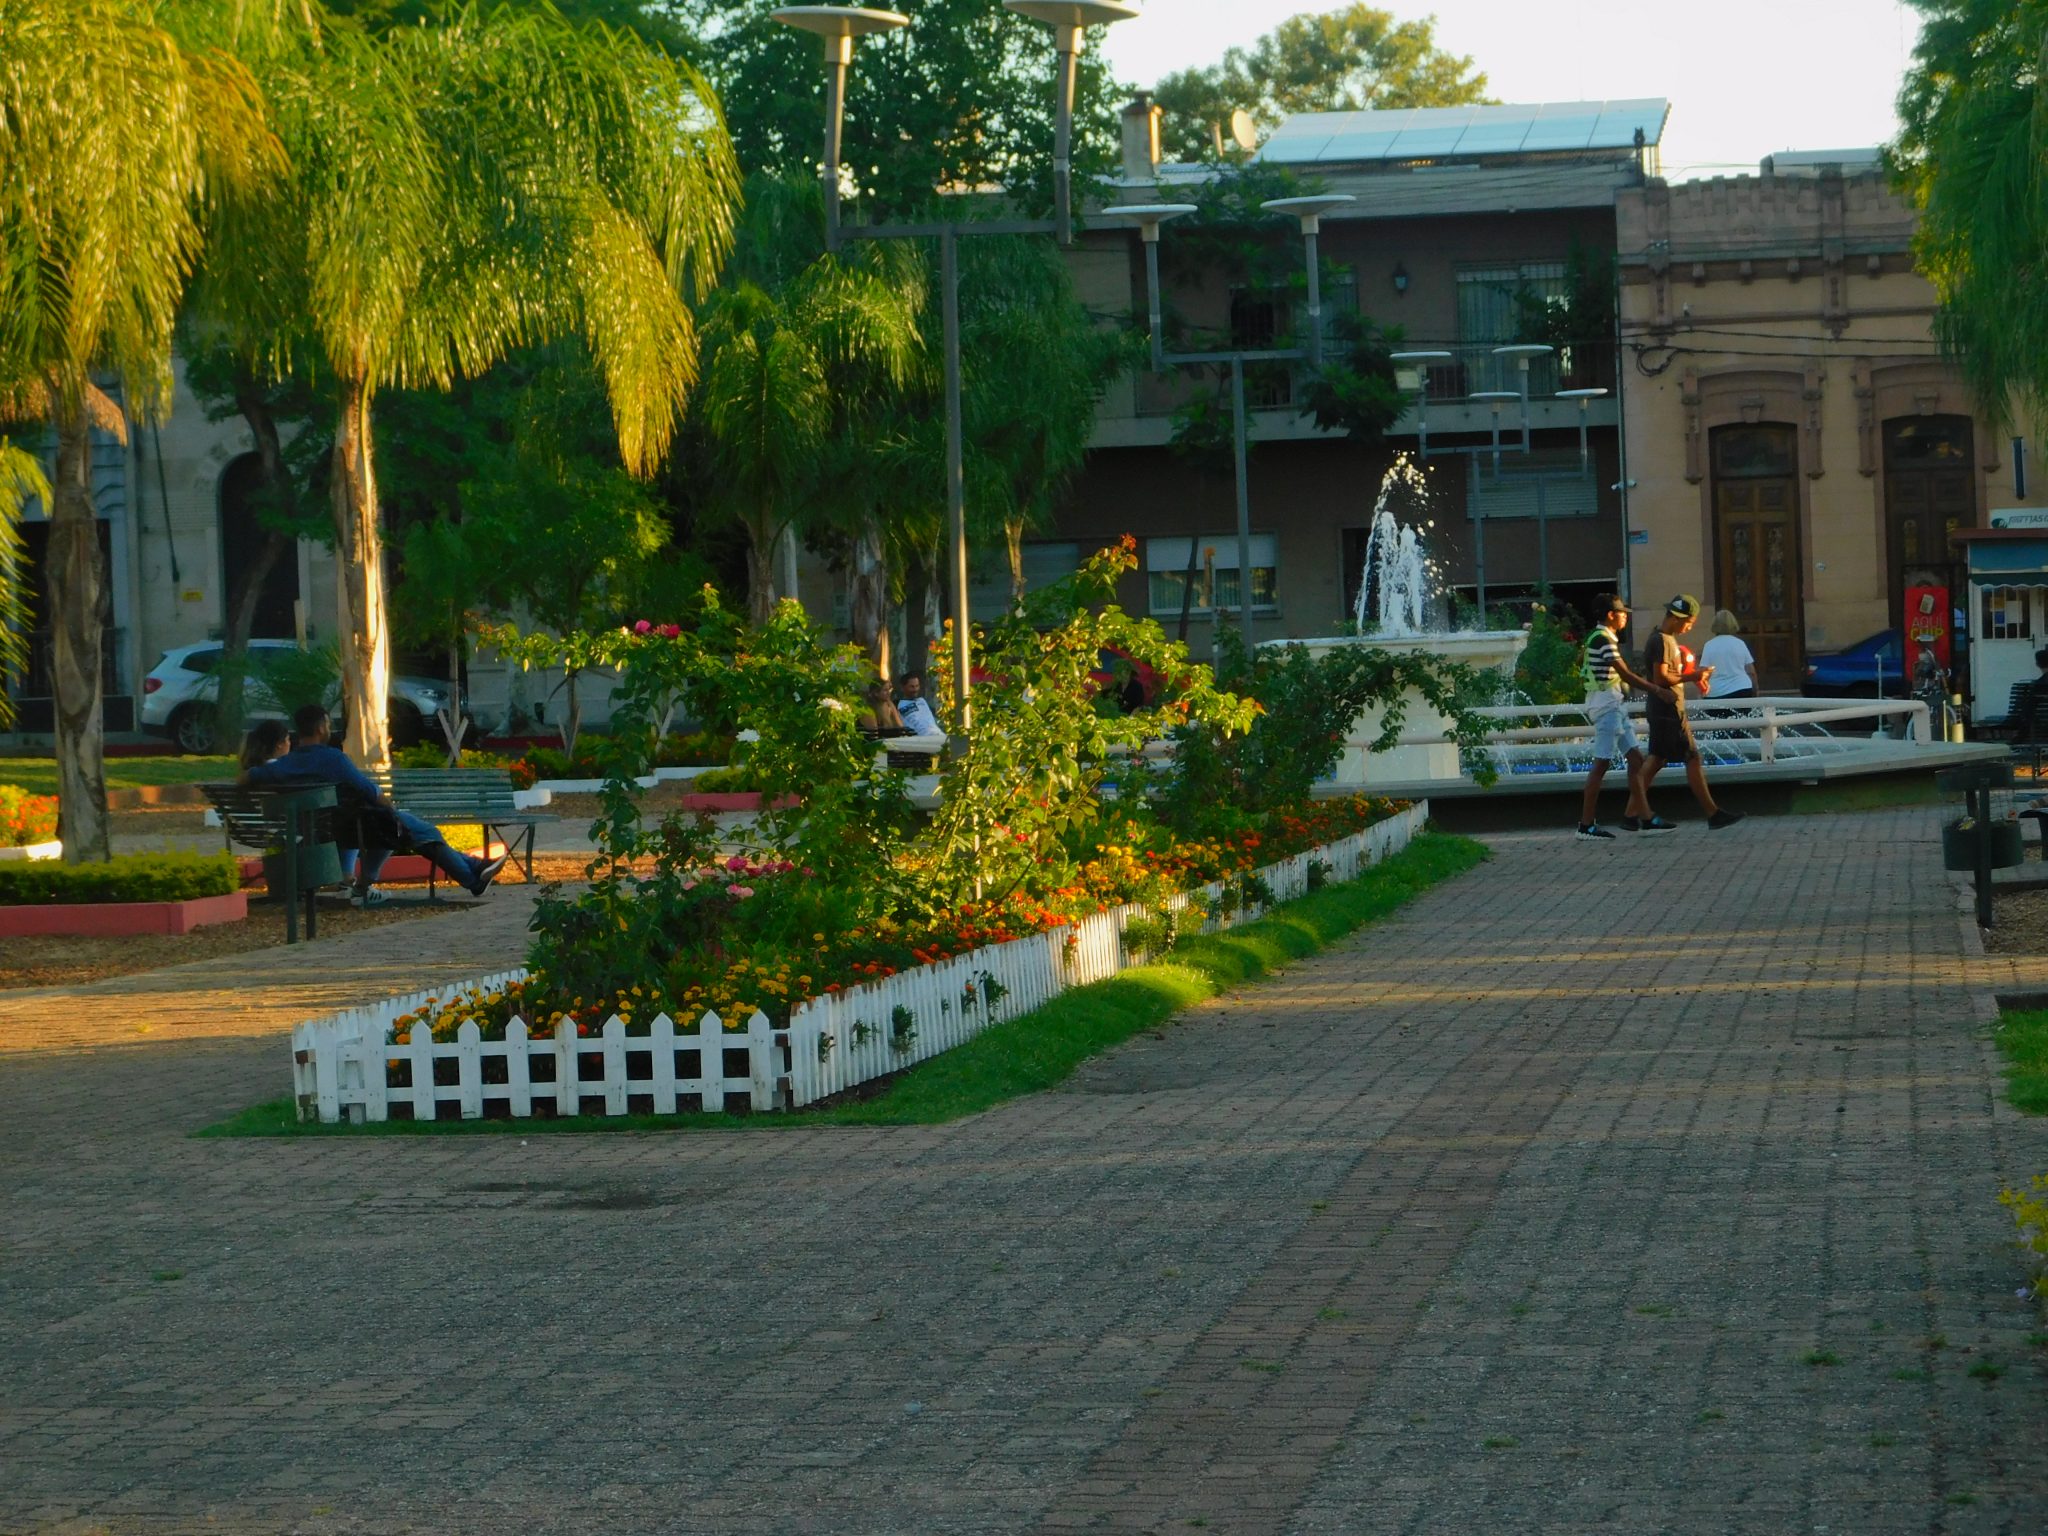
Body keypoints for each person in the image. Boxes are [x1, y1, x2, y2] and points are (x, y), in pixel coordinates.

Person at [244, 704, 508, 905]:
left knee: (415, 831)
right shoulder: (333, 759)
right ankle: (473, 878)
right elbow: (370, 791)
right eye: (328, 724)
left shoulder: (284, 766)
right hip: (360, 827)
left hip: (326, 830)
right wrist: (391, 809)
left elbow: (247, 776)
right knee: (424, 832)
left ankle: (476, 868)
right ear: (321, 728)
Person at [1575, 593, 1675, 841]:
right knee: (1601, 763)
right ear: (1611, 615)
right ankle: (1586, 825)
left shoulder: (1600, 637)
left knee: (1637, 760)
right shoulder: (1603, 639)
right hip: (1606, 706)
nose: (1625, 618)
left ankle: (1644, 817)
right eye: (1622, 614)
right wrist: (1658, 690)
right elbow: (1626, 674)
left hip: (1612, 704)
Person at [1640, 594, 1744, 830]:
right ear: (1677, 618)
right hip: (1667, 710)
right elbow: (1661, 678)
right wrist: (1694, 676)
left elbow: (1669, 674)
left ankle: (1632, 813)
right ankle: (1713, 814)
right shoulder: (1662, 641)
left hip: (1666, 708)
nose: (1689, 627)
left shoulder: (1664, 639)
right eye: (1689, 622)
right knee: (1691, 757)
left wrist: (1695, 677)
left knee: (1657, 759)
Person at [1699, 609, 1759, 705]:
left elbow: (1703, 672)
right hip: (1741, 689)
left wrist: (1702, 692)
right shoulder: (1740, 644)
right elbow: (1751, 672)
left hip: (1715, 692)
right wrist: (1755, 691)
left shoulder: (1709, 645)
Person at [895, 671, 944, 739]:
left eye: (917, 686)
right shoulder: (900, 706)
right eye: (912, 687)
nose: (915, 689)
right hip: (922, 739)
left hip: (939, 735)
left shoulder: (922, 701)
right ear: (903, 688)